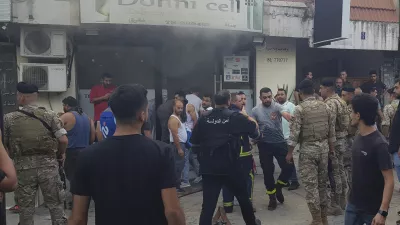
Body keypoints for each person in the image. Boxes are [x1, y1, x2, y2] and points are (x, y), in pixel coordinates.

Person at [69, 84, 185, 225]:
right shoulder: (162, 152)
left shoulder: (87, 155)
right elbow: (173, 211)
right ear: (142, 115)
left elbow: (78, 219)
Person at [191, 90, 261, 225]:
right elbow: (255, 133)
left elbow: (194, 143)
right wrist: (246, 117)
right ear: (229, 101)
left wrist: (203, 161)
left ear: (214, 102)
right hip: (231, 167)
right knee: (243, 199)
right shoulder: (236, 117)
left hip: (209, 168)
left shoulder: (203, 118)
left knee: (208, 206)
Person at [4, 82, 68, 225]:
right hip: (49, 166)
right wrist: (60, 155)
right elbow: (63, 140)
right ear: (36, 96)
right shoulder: (50, 115)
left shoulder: (8, 119)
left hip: (23, 168)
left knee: (25, 209)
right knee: (56, 206)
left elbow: (5, 147)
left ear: (20, 97)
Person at [286, 79, 335, 225]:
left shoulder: (300, 109)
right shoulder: (325, 106)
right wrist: (331, 149)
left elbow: (294, 134)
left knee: (311, 187)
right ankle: (324, 218)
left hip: (308, 151)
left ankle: (317, 220)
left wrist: (289, 153)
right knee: (322, 185)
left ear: (300, 93)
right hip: (324, 150)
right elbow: (331, 131)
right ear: (313, 91)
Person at [345, 93, 394, 225]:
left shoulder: (379, 144)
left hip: (372, 211)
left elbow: (389, 180)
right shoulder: (358, 137)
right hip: (353, 205)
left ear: (358, 115)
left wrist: (382, 212)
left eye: (352, 112)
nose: (350, 115)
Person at [251, 87, 292, 211]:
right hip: (264, 145)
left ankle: (278, 187)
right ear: (260, 98)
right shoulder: (255, 110)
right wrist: (253, 138)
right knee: (268, 172)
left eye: (269, 96)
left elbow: (286, 114)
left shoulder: (277, 107)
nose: (267, 99)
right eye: (264, 97)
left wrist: (291, 118)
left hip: (279, 142)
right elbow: (253, 125)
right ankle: (272, 198)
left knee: (289, 168)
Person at [222, 93, 256, 213]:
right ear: (232, 102)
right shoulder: (240, 116)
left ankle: (228, 206)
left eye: (244, 99)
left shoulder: (222, 115)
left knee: (227, 180)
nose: (243, 102)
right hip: (242, 154)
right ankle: (247, 206)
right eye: (240, 100)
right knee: (247, 178)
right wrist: (247, 117)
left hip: (225, 155)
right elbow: (254, 131)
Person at [60, 96, 95, 208]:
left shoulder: (66, 116)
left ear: (66, 105)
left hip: (72, 152)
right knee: (82, 178)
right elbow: (92, 138)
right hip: (86, 151)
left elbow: (55, 133)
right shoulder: (88, 118)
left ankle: (75, 203)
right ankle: (83, 203)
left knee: (72, 178)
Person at [320, 78, 349, 214]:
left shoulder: (331, 104)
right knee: (341, 170)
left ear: (327, 89)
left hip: (335, 141)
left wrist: (330, 145)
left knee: (335, 173)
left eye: (321, 89)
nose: (320, 91)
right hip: (342, 139)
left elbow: (329, 125)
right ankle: (343, 201)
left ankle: (336, 204)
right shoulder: (341, 101)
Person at [275, 88, 299, 191]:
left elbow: (295, 121)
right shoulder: (276, 106)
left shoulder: (291, 106)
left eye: (282, 94)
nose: (280, 96)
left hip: (288, 136)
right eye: (278, 94)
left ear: (286, 95)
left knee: (289, 159)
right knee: (284, 160)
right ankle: (286, 180)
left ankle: (294, 181)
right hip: (279, 137)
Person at [168, 99, 188, 191]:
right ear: (173, 107)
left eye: (181, 108)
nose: (180, 110)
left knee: (180, 166)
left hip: (181, 144)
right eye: (178, 108)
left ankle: (177, 184)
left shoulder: (178, 118)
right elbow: (175, 135)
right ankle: (175, 186)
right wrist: (179, 148)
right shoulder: (173, 119)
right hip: (177, 145)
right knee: (177, 166)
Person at [341, 87, 356, 198]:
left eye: (344, 95)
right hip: (345, 141)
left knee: (349, 167)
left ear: (350, 95)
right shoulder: (343, 106)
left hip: (351, 140)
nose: (342, 97)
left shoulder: (354, 108)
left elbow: (351, 128)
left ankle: (352, 193)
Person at [388, 80, 400, 187]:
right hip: (396, 144)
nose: (395, 90)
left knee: (398, 165)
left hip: (398, 146)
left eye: (397, 87)